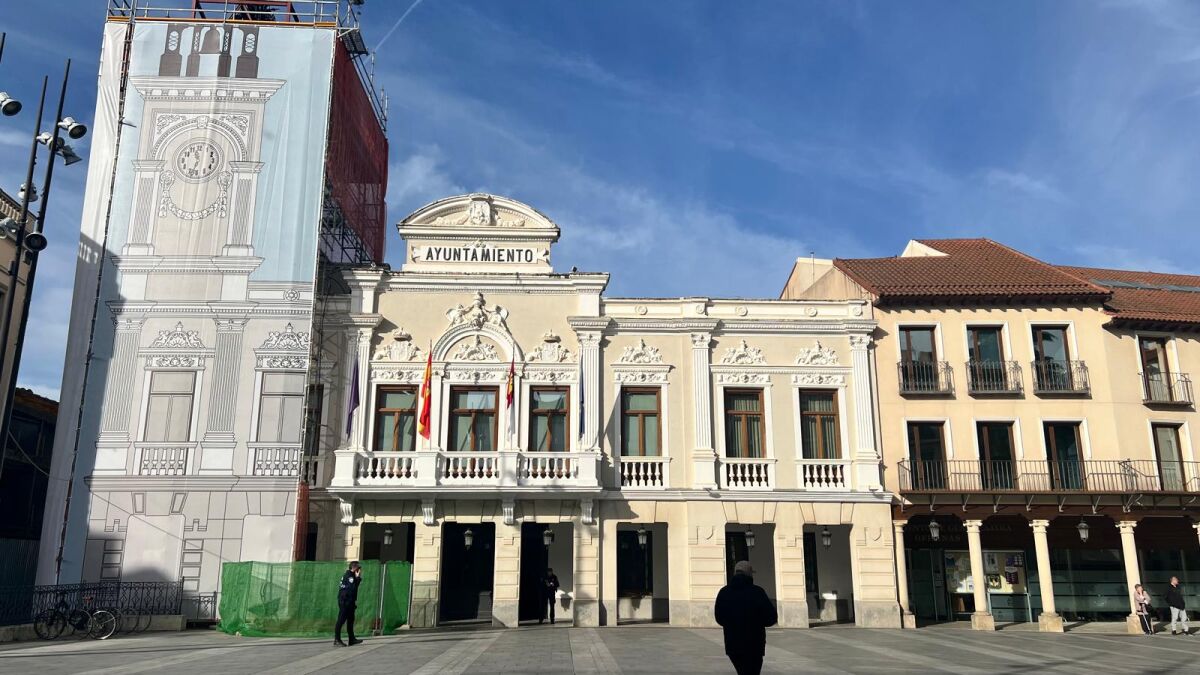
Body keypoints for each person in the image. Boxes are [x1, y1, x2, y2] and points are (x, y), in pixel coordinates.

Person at [715, 561, 778, 675]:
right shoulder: (757, 592)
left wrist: (732, 623)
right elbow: (771, 617)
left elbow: (719, 618)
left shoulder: (724, 592)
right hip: (754, 644)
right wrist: (756, 622)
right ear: (749, 574)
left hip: (733, 644)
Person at [335, 561, 364, 647]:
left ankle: (352, 639)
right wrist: (358, 577)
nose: (359, 570)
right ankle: (337, 639)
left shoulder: (351, 575)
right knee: (341, 620)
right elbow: (353, 588)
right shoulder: (349, 576)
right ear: (354, 568)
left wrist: (357, 578)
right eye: (358, 568)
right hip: (345, 601)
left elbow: (354, 587)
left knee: (351, 620)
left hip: (350, 601)